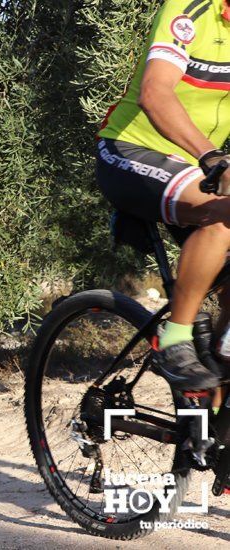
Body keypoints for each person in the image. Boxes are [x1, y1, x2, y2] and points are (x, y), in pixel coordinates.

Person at [97, 0, 230, 390]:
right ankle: (175, 338)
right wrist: (212, 157)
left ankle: (207, 432)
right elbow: (155, 93)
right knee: (225, 214)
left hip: (195, 168)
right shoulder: (191, 8)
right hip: (131, 151)